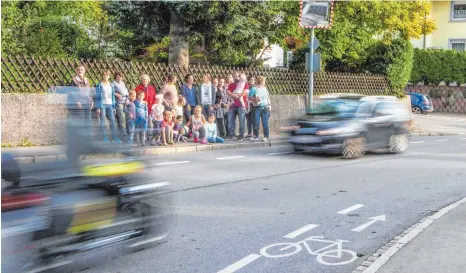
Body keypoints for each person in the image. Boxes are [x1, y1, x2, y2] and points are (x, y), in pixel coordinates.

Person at [95, 70, 121, 143]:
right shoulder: (99, 85)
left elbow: (112, 96)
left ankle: (114, 138)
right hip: (102, 105)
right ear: (102, 76)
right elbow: (97, 97)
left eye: (107, 75)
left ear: (109, 76)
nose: (105, 76)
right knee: (102, 122)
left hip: (110, 105)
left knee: (112, 121)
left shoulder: (111, 85)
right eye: (104, 75)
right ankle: (104, 138)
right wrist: (97, 107)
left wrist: (114, 106)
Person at [68, 64, 93, 140]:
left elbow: (90, 91)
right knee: (80, 121)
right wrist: (77, 101)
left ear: (84, 71)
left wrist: (92, 101)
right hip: (79, 104)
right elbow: (71, 92)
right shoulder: (74, 80)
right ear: (76, 71)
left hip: (87, 103)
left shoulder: (87, 80)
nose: (80, 71)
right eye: (78, 69)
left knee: (88, 121)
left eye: (81, 69)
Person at [227, 72, 249, 141]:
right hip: (232, 106)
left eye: (237, 76)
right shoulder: (231, 85)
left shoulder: (245, 84)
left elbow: (245, 92)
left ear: (240, 77)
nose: (236, 77)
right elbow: (228, 92)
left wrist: (238, 96)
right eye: (234, 76)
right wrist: (233, 95)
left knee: (241, 121)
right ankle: (232, 135)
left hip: (241, 106)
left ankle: (241, 136)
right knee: (230, 121)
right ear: (233, 77)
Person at [249, 76, 271, 142]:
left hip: (265, 107)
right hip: (256, 108)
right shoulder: (253, 89)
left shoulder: (265, 88)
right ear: (261, 81)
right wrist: (255, 99)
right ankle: (256, 136)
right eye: (264, 81)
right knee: (256, 123)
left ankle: (266, 136)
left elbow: (267, 97)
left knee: (265, 123)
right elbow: (249, 98)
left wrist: (270, 105)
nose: (264, 82)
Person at [135, 74, 157, 140]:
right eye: (144, 79)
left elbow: (154, 98)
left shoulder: (151, 88)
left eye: (146, 79)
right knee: (141, 124)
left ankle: (149, 137)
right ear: (141, 80)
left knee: (150, 123)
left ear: (148, 80)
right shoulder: (138, 88)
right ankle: (140, 138)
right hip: (141, 109)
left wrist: (153, 106)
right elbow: (135, 98)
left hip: (150, 108)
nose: (145, 81)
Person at [112, 72, 129, 139]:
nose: (119, 78)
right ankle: (124, 135)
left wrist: (127, 99)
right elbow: (110, 91)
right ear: (115, 77)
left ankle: (124, 133)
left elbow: (126, 91)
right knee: (121, 118)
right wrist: (116, 94)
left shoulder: (123, 83)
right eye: (118, 77)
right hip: (119, 103)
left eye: (120, 77)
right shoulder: (113, 83)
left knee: (127, 118)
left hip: (125, 101)